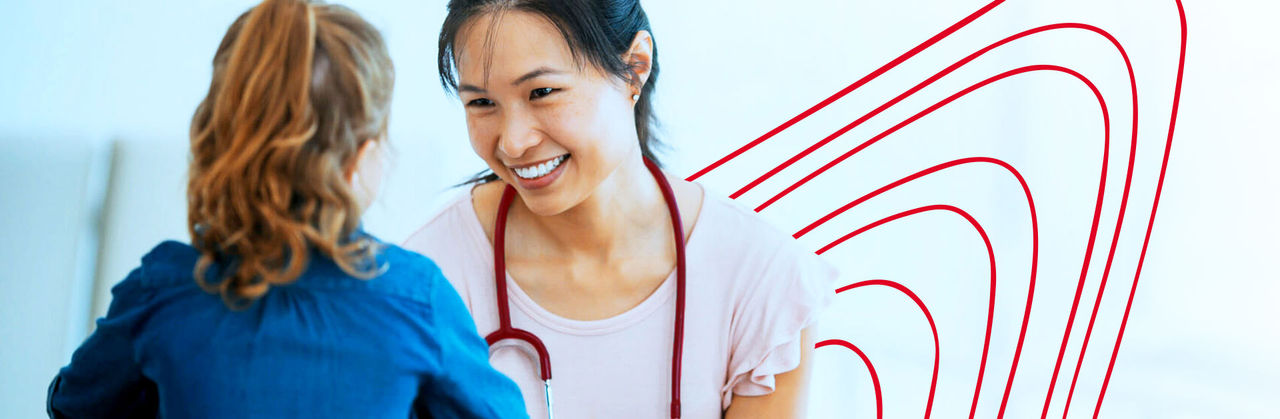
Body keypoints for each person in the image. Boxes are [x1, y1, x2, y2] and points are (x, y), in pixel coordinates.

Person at [46, 1, 526, 417]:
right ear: (362, 156)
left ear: (217, 139)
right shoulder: (415, 300)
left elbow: (71, 406)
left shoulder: (161, 293)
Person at [403, 1, 837, 417]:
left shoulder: (762, 281)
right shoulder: (422, 278)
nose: (513, 141)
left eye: (542, 92)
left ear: (634, 68)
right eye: (481, 103)